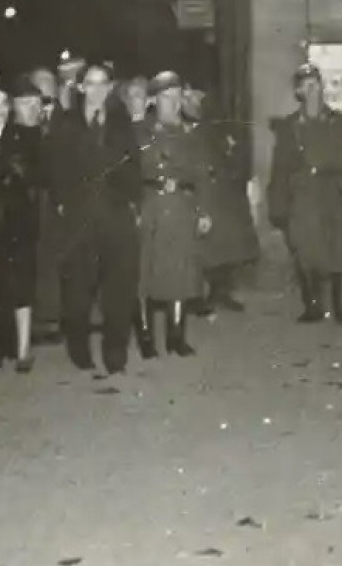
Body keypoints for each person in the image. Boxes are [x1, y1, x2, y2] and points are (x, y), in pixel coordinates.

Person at [48, 62, 141, 374]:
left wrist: (131, 201)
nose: (98, 89)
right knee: (78, 291)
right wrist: (64, 203)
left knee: (119, 289)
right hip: (80, 218)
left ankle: (115, 354)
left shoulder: (121, 121)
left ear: (111, 87)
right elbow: (56, 167)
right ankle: (79, 349)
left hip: (115, 216)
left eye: (104, 83)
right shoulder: (66, 123)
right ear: (81, 87)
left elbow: (134, 165)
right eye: (91, 83)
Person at [268, 63, 342, 324]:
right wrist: (278, 205)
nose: (314, 91)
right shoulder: (290, 127)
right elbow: (280, 168)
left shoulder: (338, 121)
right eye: (308, 86)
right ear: (299, 91)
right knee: (306, 250)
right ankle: (313, 306)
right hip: (304, 196)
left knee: (341, 251)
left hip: (334, 193)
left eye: (317, 84)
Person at [135, 72, 212, 356]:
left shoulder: (190, 134)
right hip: (150, 204)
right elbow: (130, 173)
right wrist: (134, 207)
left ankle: (176, 334)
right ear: (154, 100)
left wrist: (203, 211)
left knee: (179, 272)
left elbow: (202, 175)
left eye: (177, 97)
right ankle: (145, 336)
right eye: (166, 98)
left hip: (181, 206)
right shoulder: (141, 131)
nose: (173, 104)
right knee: (145, 272)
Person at [183, 83, 259, 315]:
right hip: (201, 190)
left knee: (227, 246)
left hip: (224, 192)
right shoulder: (184, 128)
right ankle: (193, 297)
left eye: (196, 98)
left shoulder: (219, 126)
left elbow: (235, 154)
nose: (192, 103)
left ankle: (220, 291)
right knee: (201, 248)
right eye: (188, 99)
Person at [0, 84, 42, 371]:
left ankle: (23, 350)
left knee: (21, 284)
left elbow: (33, 176)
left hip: (18, 220)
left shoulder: (22, 138)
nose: (0, 110)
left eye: (4, 104)